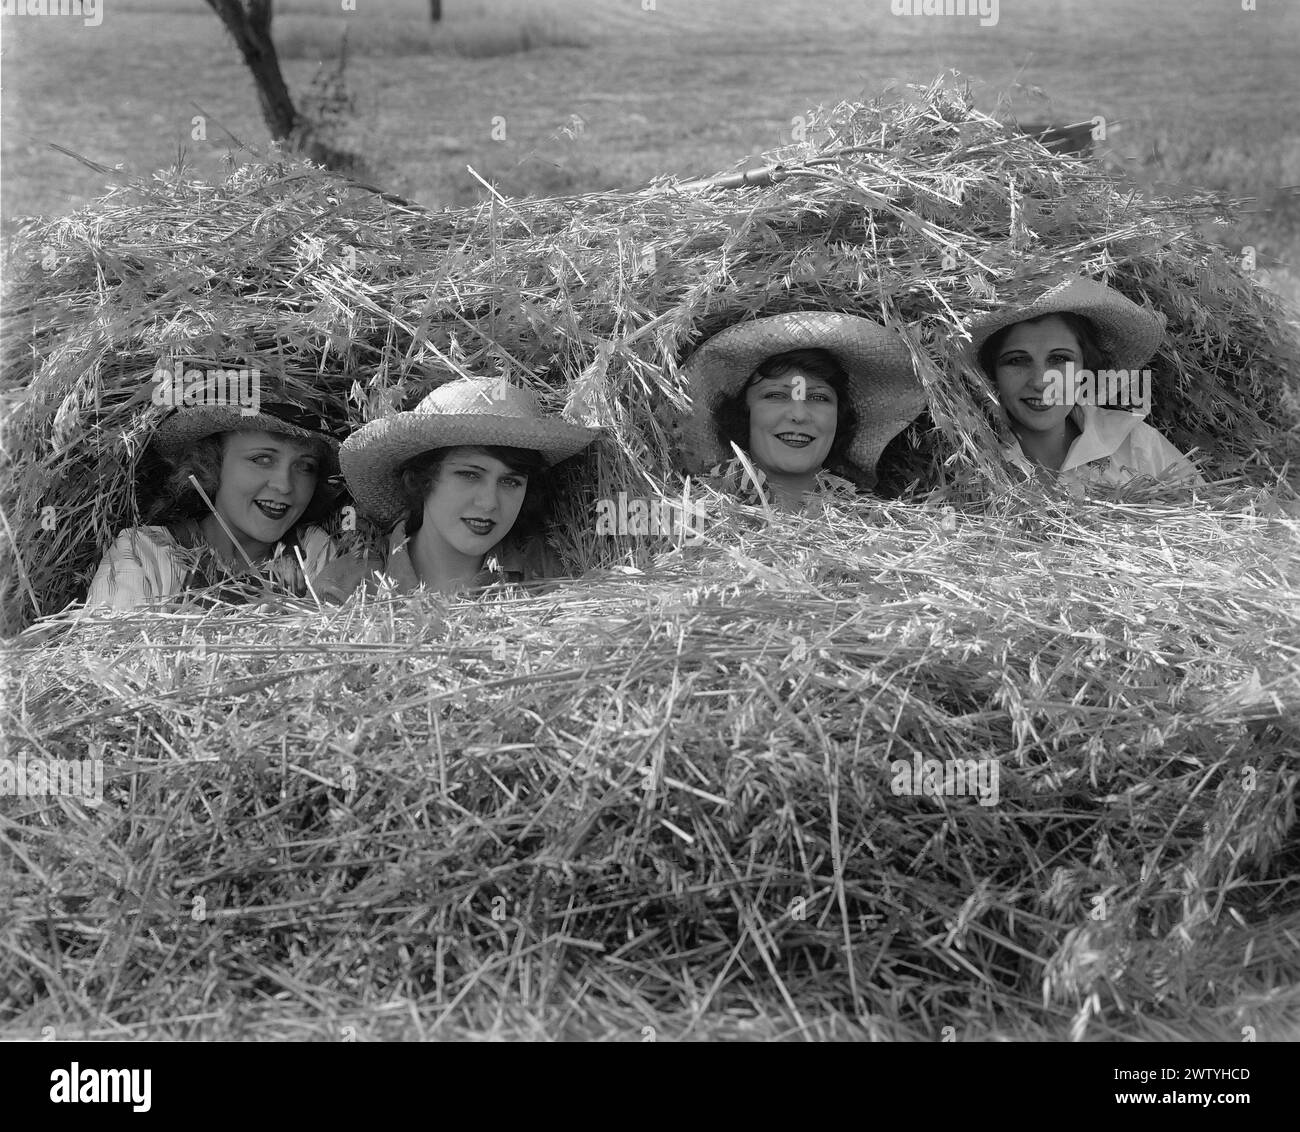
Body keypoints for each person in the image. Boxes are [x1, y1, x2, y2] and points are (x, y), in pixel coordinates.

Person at [320, 376, 600, 597]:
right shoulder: (346, 590)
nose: (489, 502)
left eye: (511, 481)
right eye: (470, 475)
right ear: (421, 480)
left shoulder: (551, 581)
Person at [83, 401, 342, 611]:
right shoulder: (146, 553)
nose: (285, 485)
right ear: (212, 464)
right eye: (262, 459)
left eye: (305, 466)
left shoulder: (311, 552)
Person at [969, 277, 1204, 488]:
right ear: (992, 373)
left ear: (1085, 368)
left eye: (1060, 359)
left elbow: (1212, 524)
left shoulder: (1137, 448)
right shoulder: (970, 466)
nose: (1041, 382)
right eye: (1017, 360)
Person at [675, 311, 925, 509]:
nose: (799, 415)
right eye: (775, 395)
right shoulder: (695, 524)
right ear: (743, 413)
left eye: (818, 397)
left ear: (839, 417)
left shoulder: (884, 529)